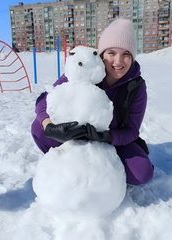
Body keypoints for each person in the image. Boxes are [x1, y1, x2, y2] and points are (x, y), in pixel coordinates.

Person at [31, 18, 154, 185]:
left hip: (113, 141)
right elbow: (44, 99)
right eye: (111, 53)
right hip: (76, 136)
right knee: (39, 129)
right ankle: (65, 163)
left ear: (132, 58)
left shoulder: (136, 86)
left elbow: (132, 131)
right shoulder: (85, 69)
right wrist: (49, 126)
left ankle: (108, 171)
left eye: (126, 54)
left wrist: (108, 137)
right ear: (101, 54)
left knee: (142, 173)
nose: (118, 61)